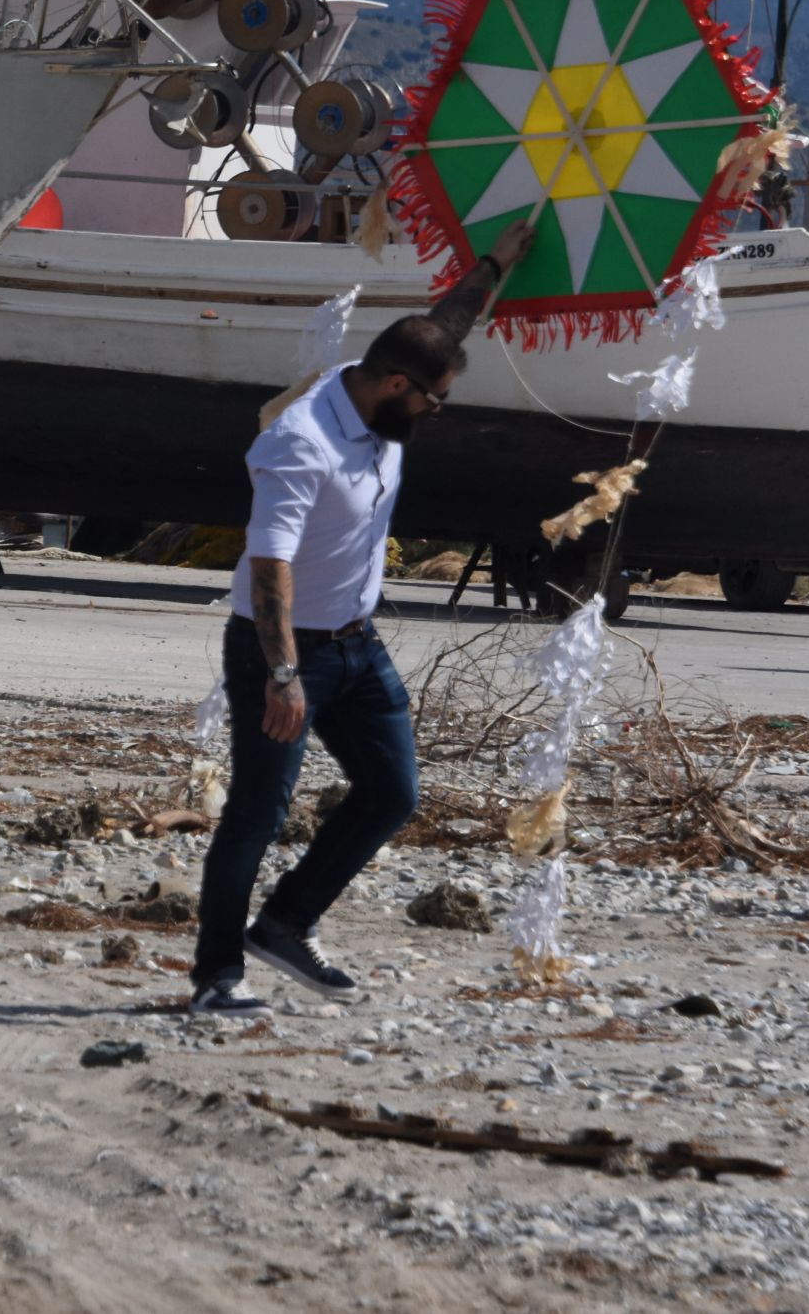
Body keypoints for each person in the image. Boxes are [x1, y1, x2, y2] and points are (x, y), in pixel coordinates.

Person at [190, 219, 537, 1019]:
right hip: (280, 649)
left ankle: (283, 923)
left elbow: (447, 324)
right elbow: (270, 564)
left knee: (391, 791)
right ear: (395, 387)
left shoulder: (393, 385)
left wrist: (497, 262)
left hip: (357, 643)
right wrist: (282, 674)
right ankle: (215, 974)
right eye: (434, 403)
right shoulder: (301, 443)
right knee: (258, 809)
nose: (437, 414)